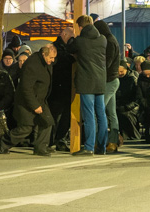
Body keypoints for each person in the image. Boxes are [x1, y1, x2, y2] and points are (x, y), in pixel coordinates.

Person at [0, 45, 56, 156]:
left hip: (40, 99)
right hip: (26, 101)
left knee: (47, 122)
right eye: (51, 58)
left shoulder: (44, 61)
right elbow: (26, 88)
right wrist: (34, 106)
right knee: (26, 128)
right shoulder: (32, 65)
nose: (53, 60)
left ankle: (41, 147)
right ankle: (3, 142)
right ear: (44, 54)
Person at [66, 15, 107, 156]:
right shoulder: (102, 39)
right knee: (101, 114)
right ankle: (101, 147)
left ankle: (89, 147)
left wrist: (71, 38)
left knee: (89, 115)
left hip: (86, 82)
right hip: (100, 81)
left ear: (81, 27)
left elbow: (70, 48)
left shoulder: (80, 41)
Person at [94, 20, 121, 153]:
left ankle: (101, 141)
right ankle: (113, 142)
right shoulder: (112, 40)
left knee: (99, 111)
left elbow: (107, 62)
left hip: (109, 81)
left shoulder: (109, 42)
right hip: (113, 80)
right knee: (111, 114)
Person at [48, 27, 75, 151]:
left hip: (67, 87)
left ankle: (59, 138)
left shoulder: (64, 47)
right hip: (57, 87)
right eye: (71, 37)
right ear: (64, 34)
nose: (72, 40)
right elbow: (60, 63)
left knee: (66, 115)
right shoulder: (55, 48)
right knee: (55, 115)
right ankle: (51, 140)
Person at [116, 61, 140, 141]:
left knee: (126, 114)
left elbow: (137, 97)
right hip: (118, 104)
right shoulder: (115, 79)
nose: (120, 73)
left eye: (122, 71)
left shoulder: (132, 79)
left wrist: (127, 106)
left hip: (131, 106)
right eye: (118, 72)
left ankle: (132, 136)